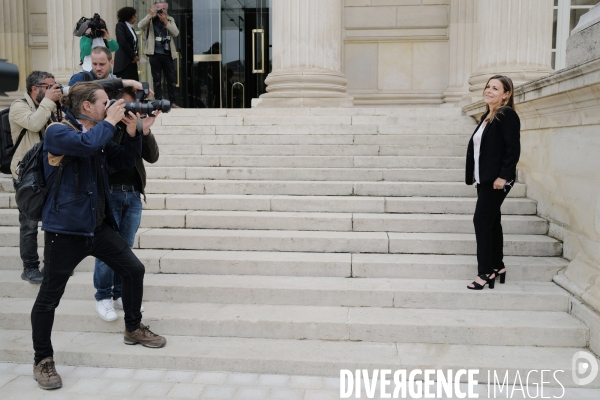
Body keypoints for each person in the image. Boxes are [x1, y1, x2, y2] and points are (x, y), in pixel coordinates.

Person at [31, 82, 166, 390]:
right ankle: (43, 359)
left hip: (97, 227)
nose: (112, 105)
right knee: (49, 297)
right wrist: (110, 123)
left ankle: (132, 327)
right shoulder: (58, 132)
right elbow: (88, 145)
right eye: (106, 102)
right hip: (65, 231)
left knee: (134, 270)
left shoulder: (100, 134)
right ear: (87, 107)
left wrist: (134, 132)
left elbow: (123, 161)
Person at [94, 86, 160, 321]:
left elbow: (152, 157)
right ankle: (103, 296)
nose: (130, 111)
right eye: (125, 106)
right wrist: (126, 128)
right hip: (110, 194)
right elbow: (114, 158)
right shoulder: (105, 128)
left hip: (133, 195)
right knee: (106, 248)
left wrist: (145, 131)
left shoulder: (135, 127)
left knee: (125, 248)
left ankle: (120, 292)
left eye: (133, 106)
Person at [465, 75, 520, 290]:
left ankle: (485, 272)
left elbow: (513, 149)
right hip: (485, 179)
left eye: (495, 88)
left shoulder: (507, 115)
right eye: (488, 86)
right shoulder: (488, 116)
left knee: (481, 221)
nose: (488, 90)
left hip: (497, 181)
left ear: (506, 94)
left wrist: (504, 176)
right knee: (492, 222)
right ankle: (498, 266)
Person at [8, 71, 62, 284]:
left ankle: (53, 264)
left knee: (54, 221)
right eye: (48, 86)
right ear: (34, 88)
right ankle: (29, 267)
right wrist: (49, 102)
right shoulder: (18, 106)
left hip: (49, 171)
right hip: (26, 174)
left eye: (54, 86)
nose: (53, 90)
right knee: (29, 223)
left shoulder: (49, 106)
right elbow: (34, 124)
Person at [137, 1, 181, 108]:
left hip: (167, 53)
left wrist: (165, 22)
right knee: (156, 79)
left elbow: (176, 33)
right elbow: (140, 25)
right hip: (155, 53)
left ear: (166, 9)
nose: (161, 11)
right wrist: (150, 14)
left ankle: (172, 102)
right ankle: (158, 101)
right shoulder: (151, 19)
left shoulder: (170, 19)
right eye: (158, 9)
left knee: (171, 79)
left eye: (163, 9)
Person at [114, 7, 140, 80]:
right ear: (129, 16)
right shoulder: (120, 25)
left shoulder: (130, 28)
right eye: (134, 16)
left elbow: (134, 43)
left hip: (131, 61)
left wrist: (136, 56)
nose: (135, 18)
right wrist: (133, 56)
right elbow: (123, 42)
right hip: (124, 62)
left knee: (134, 85)